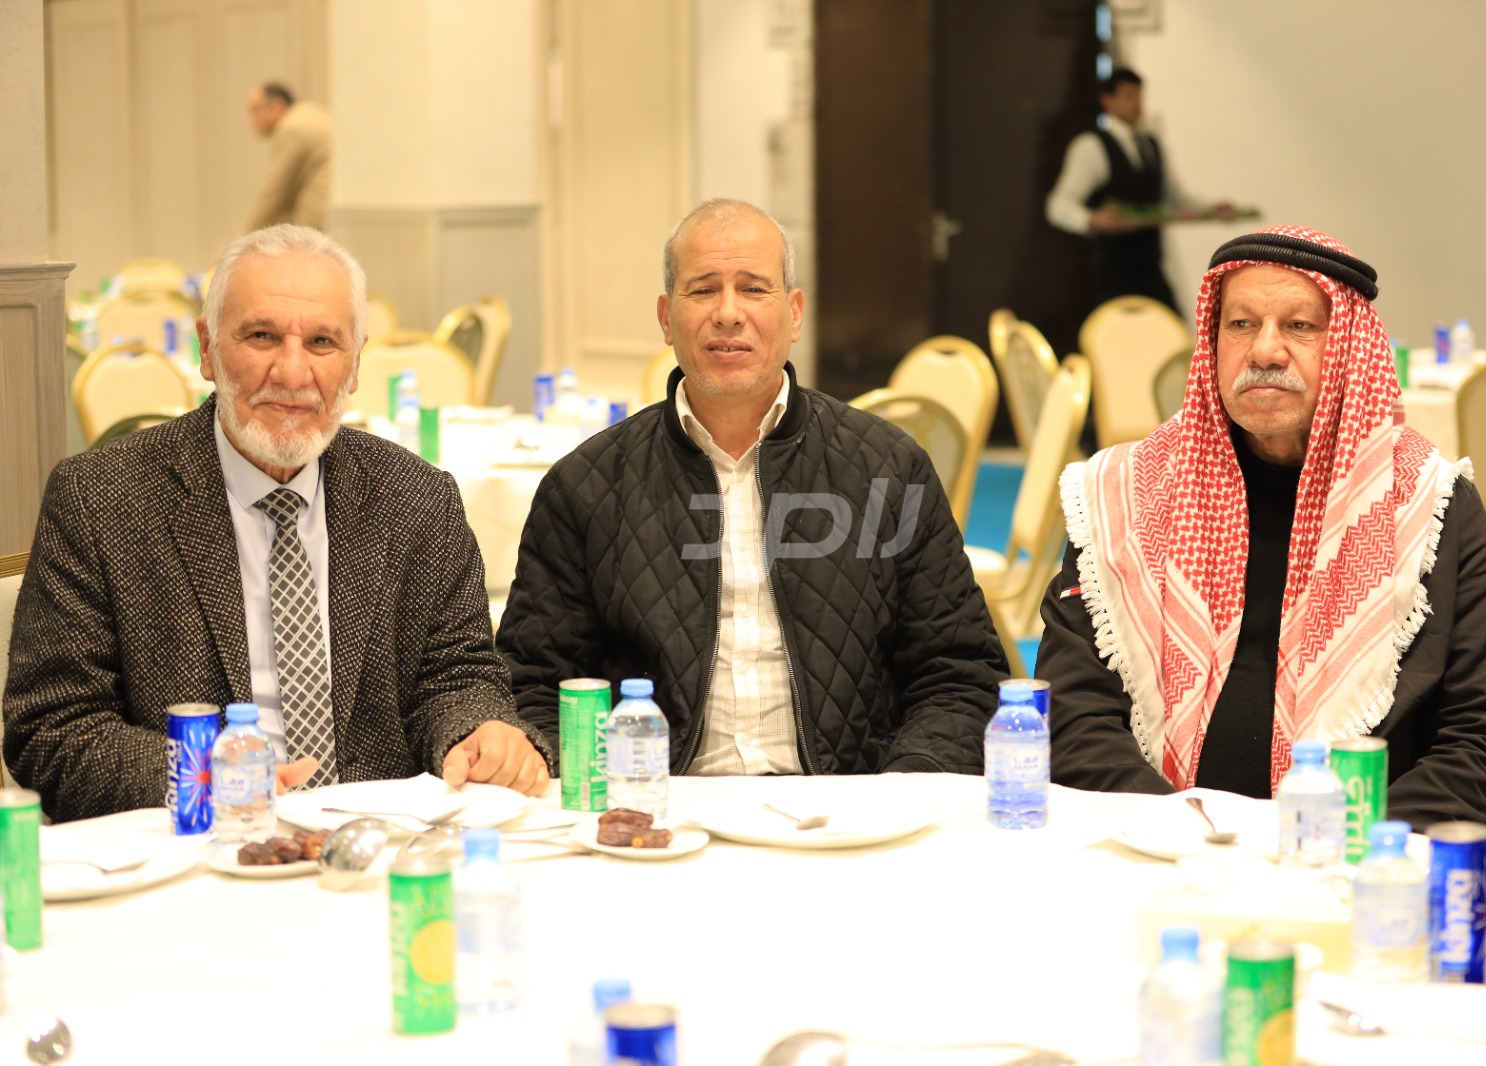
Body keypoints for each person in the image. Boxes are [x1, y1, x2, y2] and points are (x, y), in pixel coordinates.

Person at [3, 225, 549, 822]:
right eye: (262, 336)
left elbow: (457, 677)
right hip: (202, 847)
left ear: (356, 364)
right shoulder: (102, 498)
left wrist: (478, 731)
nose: (292, 373)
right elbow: (51, 729)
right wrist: (210, 775)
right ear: (207, 349)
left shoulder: (417, 498)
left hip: (382, 844)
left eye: (321, 342)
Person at [1036, 225, 1486, 832]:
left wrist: (1332, 840)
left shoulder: (1429, 506)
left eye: (1300, 326)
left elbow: (1485, 743)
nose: (1265, 350)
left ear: (1348, 347)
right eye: (1241, 324)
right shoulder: (1125, 493)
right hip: (1156, 847)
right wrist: (1179, 829)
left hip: (1350, 860)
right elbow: (1072, 714)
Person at [496, 199, 1007, 777]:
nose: (728, 313)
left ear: (794, 313)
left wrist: (898, 789)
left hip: (848, 804)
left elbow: (959, 676)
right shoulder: (585, 485)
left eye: (754, 289)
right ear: (666, 317)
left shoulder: (888, 467)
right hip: (658, 804)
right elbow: (531, 686)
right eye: (703, 290)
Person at [1045, 67, 1232, 312]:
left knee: (1170, 327)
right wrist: (1092, 219)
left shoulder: (1151, 145)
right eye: (1128, 96)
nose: (1136, 103)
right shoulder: (1091, 146)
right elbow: (1058, 206)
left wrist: (1211, 210)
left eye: (1139, 95)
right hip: (1112, 272)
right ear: (1108, 101)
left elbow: (1175, 198)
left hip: (1151, 266)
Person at [244, 82, 332, 232]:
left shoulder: (291, 128)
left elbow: (273, 195)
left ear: (276, 107)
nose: (251, 121)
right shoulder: (310, 114)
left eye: (255, 110)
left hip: (322, 226)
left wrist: (245, 239)